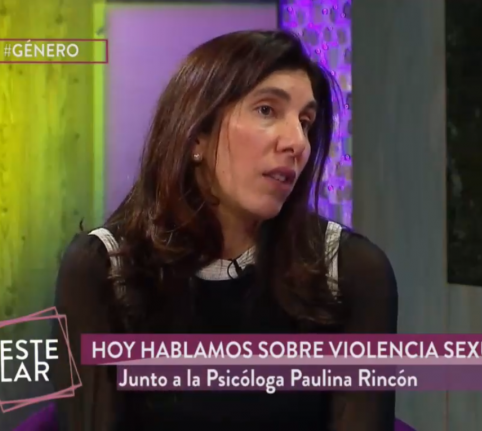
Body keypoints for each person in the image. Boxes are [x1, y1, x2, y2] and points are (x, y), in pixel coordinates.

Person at [51, 29, 398, 431]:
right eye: (267, 110)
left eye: (305, 122)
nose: (297, 142)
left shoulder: (350, 271)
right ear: (196, 135)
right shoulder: (102, 270)